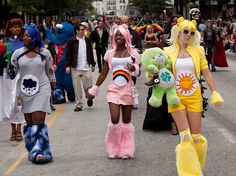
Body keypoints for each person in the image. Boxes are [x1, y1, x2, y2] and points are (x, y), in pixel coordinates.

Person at [163, 17, 224, 175]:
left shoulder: (198, 50)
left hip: (195, 96)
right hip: (176, 97)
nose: (188, 35)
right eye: (185, 31)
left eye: (191, 32)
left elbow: (207, 74)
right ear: (178, 32)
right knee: (185, 137)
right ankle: (188, 173)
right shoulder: (167, 51)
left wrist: (215, 93)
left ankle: (196, 167)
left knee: (196, 138)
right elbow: (161, 74)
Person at [88, 24, 140, 159]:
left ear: (126, 37)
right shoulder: (109, 53)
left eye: (121, 35)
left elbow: (137, 72)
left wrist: (133, 68)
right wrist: (94, 89)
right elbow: (103, 73)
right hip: (114, 90)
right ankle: (113, 148)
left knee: (127, 121)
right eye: (116, 35)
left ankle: (126, 150)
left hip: (128, 89)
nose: (118, 37)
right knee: (115, 118)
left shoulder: (133, 53)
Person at [8, 24, 55, 164]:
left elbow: (50, 72)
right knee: (29, 122)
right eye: (24, 35)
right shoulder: (17, 53)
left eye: (28, 35)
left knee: (38, 120)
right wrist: (10, 71)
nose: (25, 37)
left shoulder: (45, 53)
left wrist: (55, 88)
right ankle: (32, 148)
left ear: (35, 37)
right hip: (24, 90)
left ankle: (41, 151)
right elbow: (12, 73)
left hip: (42, 88)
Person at [0, 18, 25, 142]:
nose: (17, 29)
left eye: (19, 26)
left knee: (18, 101)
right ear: (9, 28)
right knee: (8, 102)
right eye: (14, 26)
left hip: (20, 74)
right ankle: (12, 130)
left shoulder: (24, 41)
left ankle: (19, 129)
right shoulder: (3, 42)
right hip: (7, 76)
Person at [65, 23, 96, 112]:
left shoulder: (87, 40)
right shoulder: (71, 41)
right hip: (75, 68)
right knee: (77, 88)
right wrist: (67, 65)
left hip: (86, 67)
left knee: (88, 87)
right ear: (77, 31)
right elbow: (68, 54)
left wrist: (93, 64)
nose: (84, 31)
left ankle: (89, 97)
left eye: (84, 29)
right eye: (82, 30)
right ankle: (79, 105)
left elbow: (90, 53)